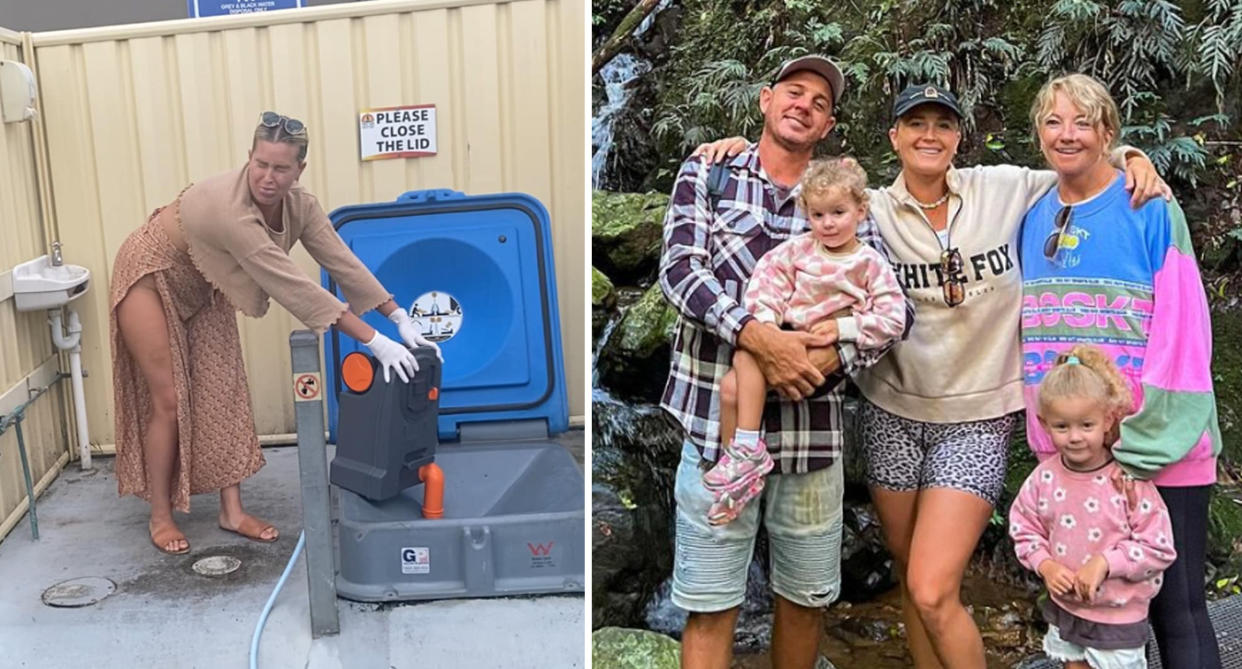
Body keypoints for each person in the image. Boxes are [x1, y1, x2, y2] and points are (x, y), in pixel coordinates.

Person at [695, 82, 1168, 668]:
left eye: (942, 125)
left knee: (932, 586)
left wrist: (1132, 157)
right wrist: (740, 147)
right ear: (893, 137)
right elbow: (806, 194)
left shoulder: (1001, 189)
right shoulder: (872, 212)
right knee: (911, 576)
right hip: (893, 411)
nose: (929, 135)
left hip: (976, 418)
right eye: (914, 124)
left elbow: (1076, 159)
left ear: (958, 137)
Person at [659, 55, 912, 669]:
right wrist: (756, 337)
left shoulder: (848, 200)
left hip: (811, 433)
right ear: (766, 100)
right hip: (714, 435)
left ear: (827, 126)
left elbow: (889, 307)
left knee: (804, 601)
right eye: (793, 92)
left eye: (820, 102)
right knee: (711, 601)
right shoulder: (709, 171)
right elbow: (679, 272)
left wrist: (815, 357)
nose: (804, 105)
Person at [110, 112, 440, 555]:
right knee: (169, 399)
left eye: (281, 168)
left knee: (224, 391)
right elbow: (293, 286)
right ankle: (160, 515)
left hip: (208, 281)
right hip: (152, 275)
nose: (267, 177)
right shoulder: (232, 212)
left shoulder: (300, 205)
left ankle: (232, 511)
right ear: (249, 158)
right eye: (260, 164)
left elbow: (340, 260)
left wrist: (398, 316)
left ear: (299, 170)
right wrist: (373, 340)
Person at [1020, 73, 1222, 668]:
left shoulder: (1149, 208)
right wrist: (1051, 438)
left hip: (1158, 444)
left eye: (1083, 122)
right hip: (1078, 453)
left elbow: (1186, 333)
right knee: (1095, 609)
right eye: (1054, 122)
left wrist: (1144, 436)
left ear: (1108, 132)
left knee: (1176, 607)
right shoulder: (1033, 216)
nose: (1068, 134)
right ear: (1038, 133)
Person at [706, 157, 905, 526]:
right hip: (786, 335)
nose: (828, 223)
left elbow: (894, 318)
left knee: (745, 367)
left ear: (861, 211)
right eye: (818, 215)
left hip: (821, 352)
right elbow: (766, 283)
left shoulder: (869, 262)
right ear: (806, 213)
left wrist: (843, 330)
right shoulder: (797, 250)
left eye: (838, 212)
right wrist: (765, 327)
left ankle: (747, 451)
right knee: (733, 384)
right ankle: (737, 473)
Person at [1010, 345, 1176, 669]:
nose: (1074, 437)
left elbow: (1160, 547)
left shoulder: (1128, 481)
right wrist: (1045, 565)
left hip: (1118, 615)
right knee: (1072, 664)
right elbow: (1023, 528)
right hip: (1066, 608)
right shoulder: (1043, 478)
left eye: (1086, 425)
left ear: (1108, 420)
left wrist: (1106, 562)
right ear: (1045, 423)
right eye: (1062, 426)